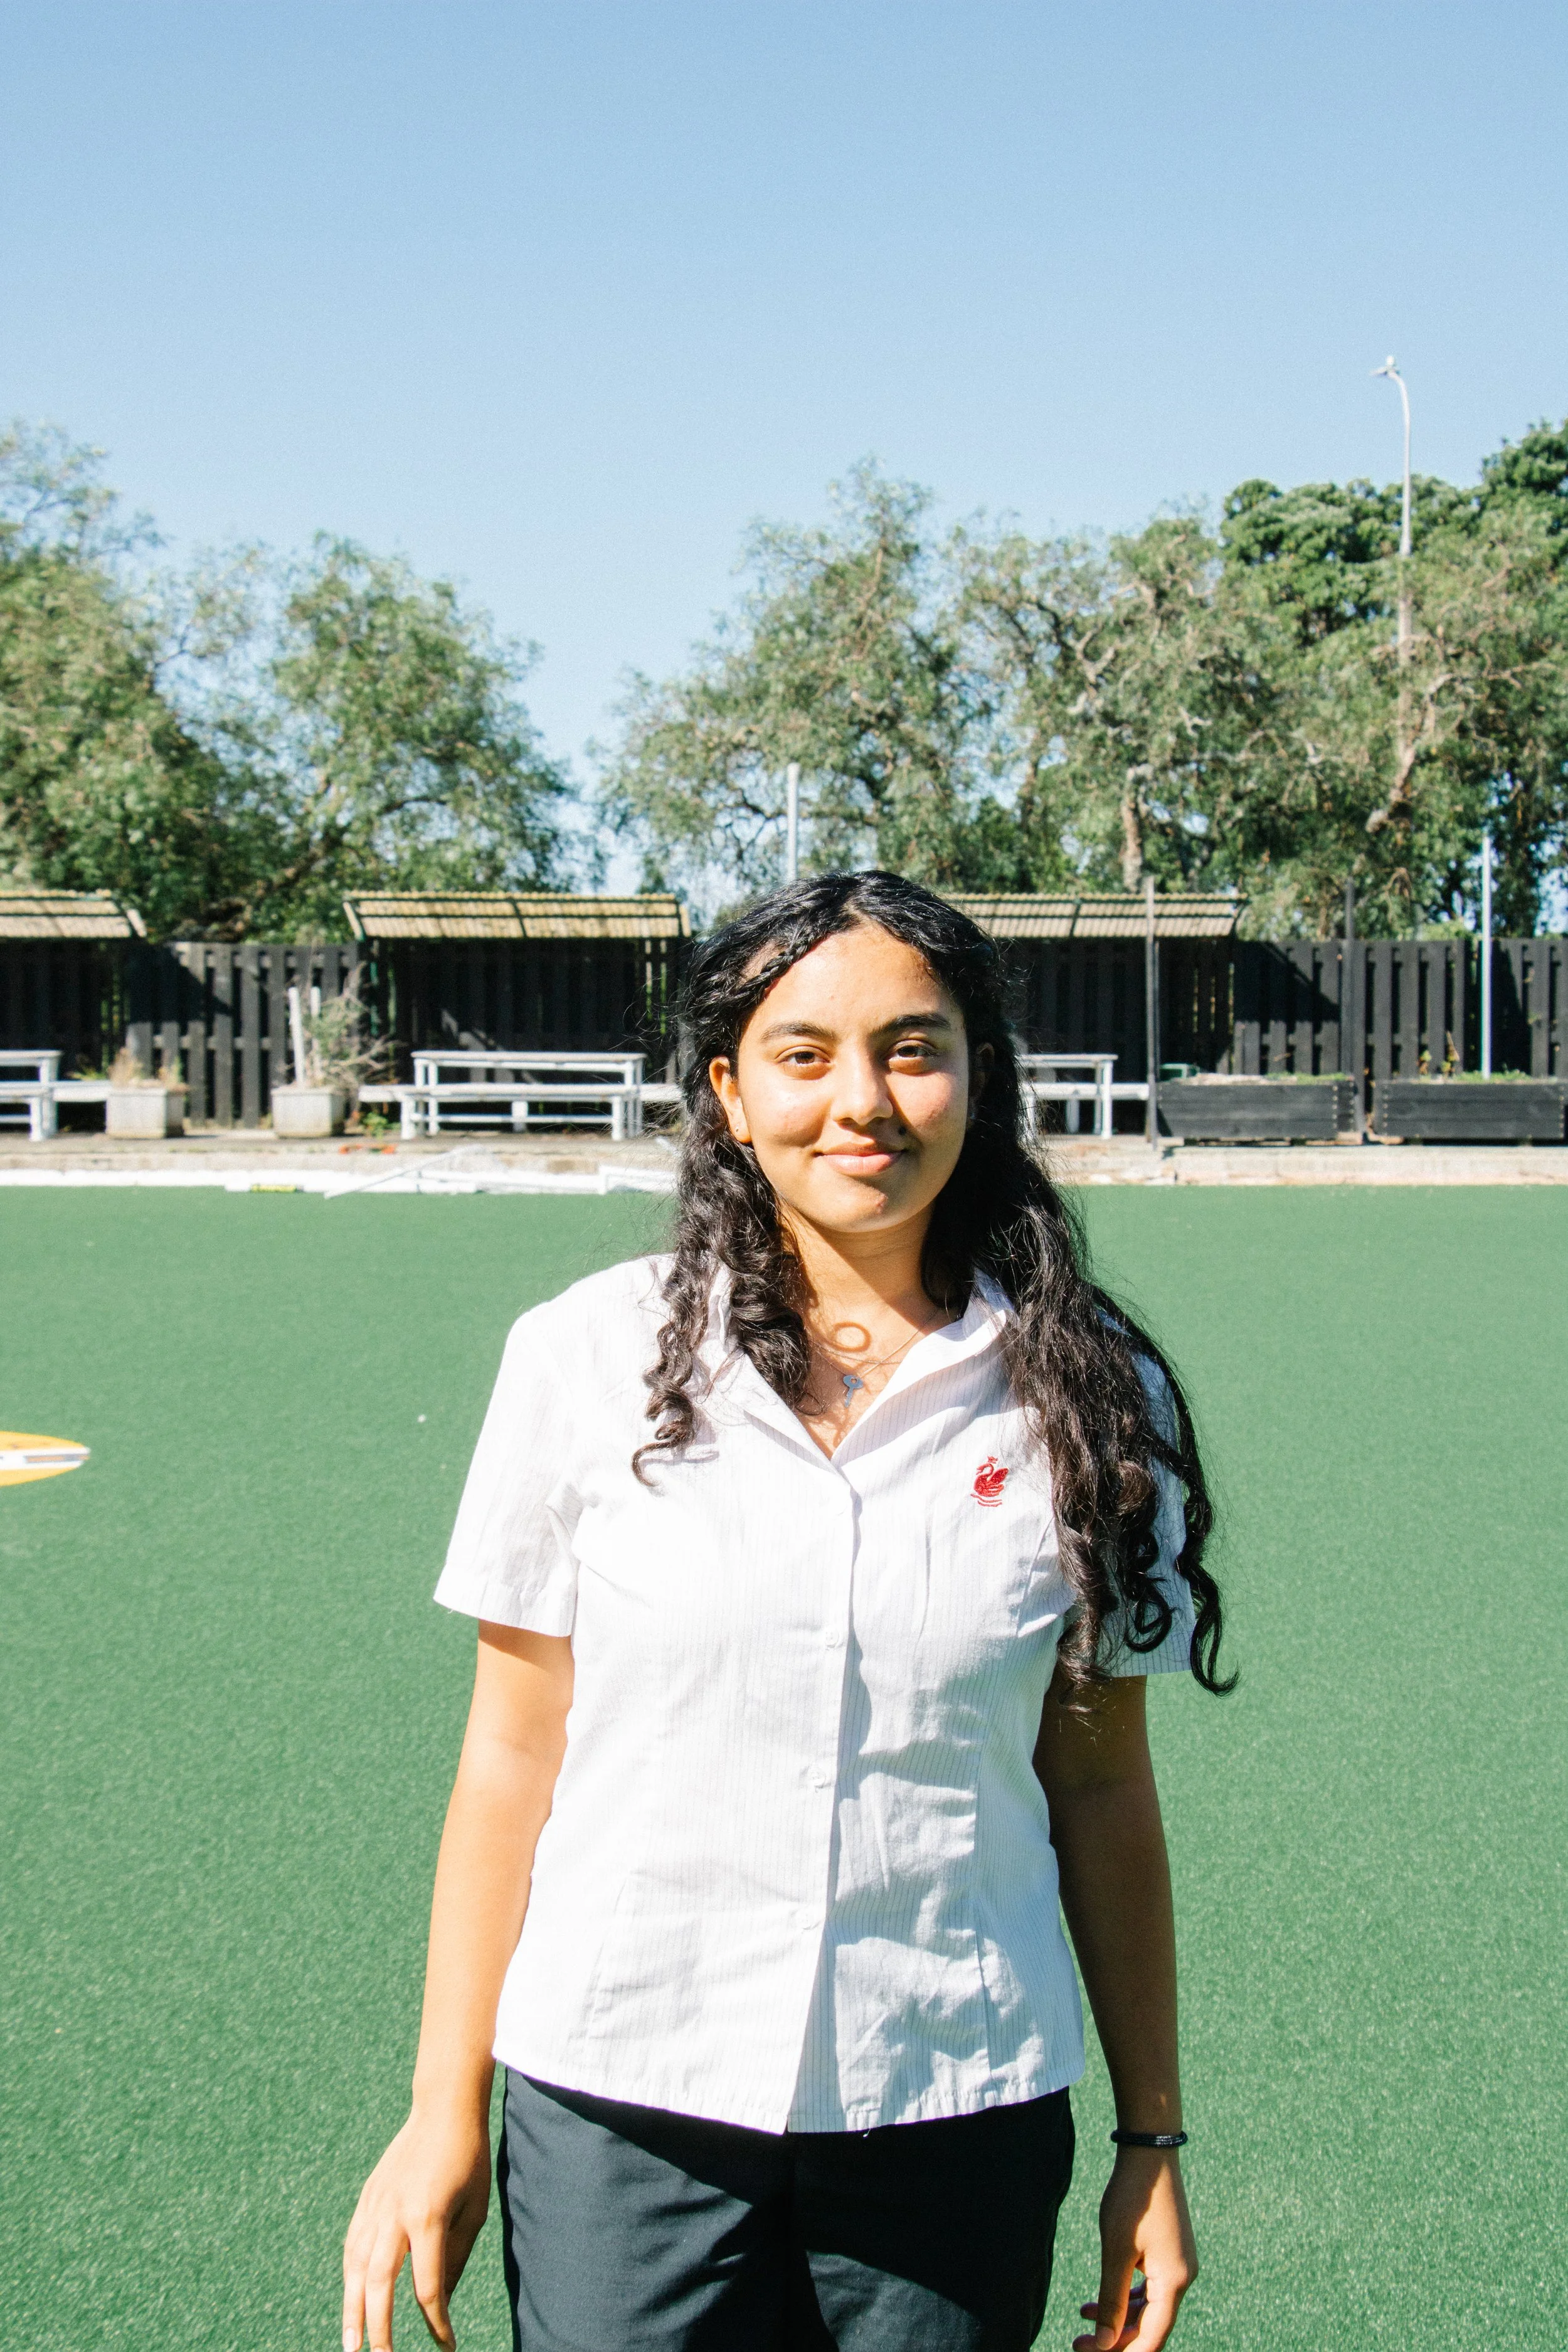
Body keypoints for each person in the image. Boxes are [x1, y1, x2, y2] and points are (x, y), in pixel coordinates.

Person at [342, 872, 1230, 2352]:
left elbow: (1095, 1780)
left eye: (911, 1045)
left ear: (976, 1076)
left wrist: (1152, 2144)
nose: (861, 1100)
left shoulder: (1093, 1399)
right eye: (801, 1055)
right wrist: (446, 2112)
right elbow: (510, 1758)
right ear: (729, 1098)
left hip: (955, 2100)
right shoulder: (583, 1357)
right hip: (623, 2107)